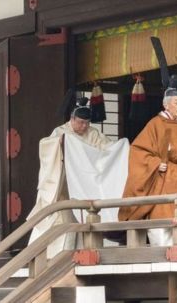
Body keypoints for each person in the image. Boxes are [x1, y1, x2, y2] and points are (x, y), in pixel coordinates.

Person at [118, 75, 177, 246]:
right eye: (176, 103)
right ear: (166, 104)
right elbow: (138, 150)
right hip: (164, 178)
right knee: (161, 220)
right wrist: (155, 163)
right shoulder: (156, 124)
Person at [27, 97, 115, 258]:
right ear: (72, 119)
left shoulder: (93, 134)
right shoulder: (61, 132)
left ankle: (84, 253)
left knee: (86, 220)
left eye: (87, 123)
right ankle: (51, 255)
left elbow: (107, 151)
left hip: (85, 186)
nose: (84, 126)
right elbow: (45, 145)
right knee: (60, 219)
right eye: (81, 122)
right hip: (63, 188)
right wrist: (59, 144)